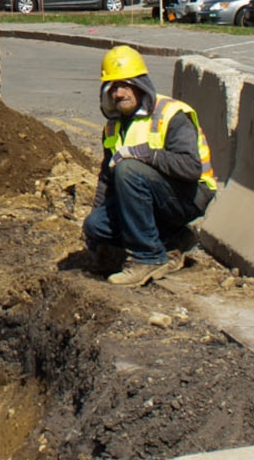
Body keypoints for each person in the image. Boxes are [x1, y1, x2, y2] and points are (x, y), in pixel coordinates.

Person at [83, 45, 217, 287]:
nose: (119, 93)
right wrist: (94, 234)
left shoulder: (170, 114)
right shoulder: (113, 127)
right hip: (149, 198)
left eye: (125, 85)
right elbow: (106, 179)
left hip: (189, 195)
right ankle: (173, 239)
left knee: (128, 169)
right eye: (112, 87)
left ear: (139, 85)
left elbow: (190, 167)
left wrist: (146, 155)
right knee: (96, 225)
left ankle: (147, 258)